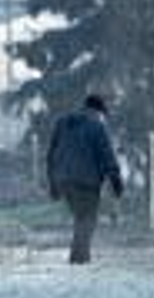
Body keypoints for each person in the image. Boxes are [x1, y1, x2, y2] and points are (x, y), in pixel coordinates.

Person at [45, 93, 124, 265]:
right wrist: (116, 180)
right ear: (98, 111)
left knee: (80, 218)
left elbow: (50, 155)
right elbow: (107, 155)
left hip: (63, 179)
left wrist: (53, 183)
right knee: (86, 220)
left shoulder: (62, 123)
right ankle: (79, 259)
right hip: (86, 182)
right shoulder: (97, 126)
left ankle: (79, 257)